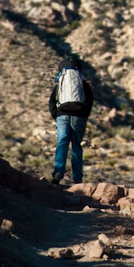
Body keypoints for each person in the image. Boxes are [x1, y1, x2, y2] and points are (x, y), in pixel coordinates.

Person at [48, 56, 93, 185]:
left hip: (62, 115)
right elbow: (90, 100)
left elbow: (51, 102)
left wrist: (56, 115)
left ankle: (58, 173)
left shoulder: (60, 84)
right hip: (79, 116)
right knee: (76, 146)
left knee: (62, 143)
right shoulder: (82, 84)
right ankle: (77, 179)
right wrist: (85, 114)